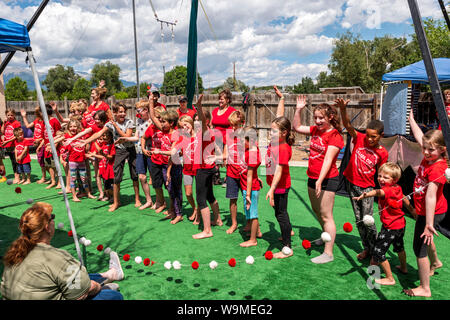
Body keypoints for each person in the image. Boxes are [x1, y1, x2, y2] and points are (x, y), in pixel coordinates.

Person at [1, 202, 124, 300]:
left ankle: (110, 275)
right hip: (64, 290)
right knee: (115, 296)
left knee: (73, 277)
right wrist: (97, 288)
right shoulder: (56, 258)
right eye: (52, 217)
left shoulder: (15, 252)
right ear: (47, 227)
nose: (54, 219)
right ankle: (108, 280)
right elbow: (80, 294)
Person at [293, 95, 344, 264]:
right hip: (313, 177)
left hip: (328, 179)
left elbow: (329, 161)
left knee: (326, 215)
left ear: (330, 117)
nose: (317, 121)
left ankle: (328, 253)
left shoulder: (335, 136)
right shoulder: (315, 130)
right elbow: (297, 127)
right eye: (315, 118)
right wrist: (299, 109)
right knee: (317, 212)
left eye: (321, 118)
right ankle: (324, 236)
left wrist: (320, 181)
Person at [403, 110, 448, 297]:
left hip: (432, 212)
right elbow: (420, 136)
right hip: (427, 211)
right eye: (425, 148)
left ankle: (424, 288)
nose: (426, 152)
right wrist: (412, 120)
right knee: (426, 240)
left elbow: (431, 196)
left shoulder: (437, 167)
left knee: (418, 247)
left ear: (442, 150)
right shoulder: (429, 156)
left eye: (431, 150)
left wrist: (428, 223)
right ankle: (436, 262)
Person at [337, 98, 389, 261]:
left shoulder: (383, 153)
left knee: (368, 221)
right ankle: (367, 248)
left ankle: (376, 251)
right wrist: (343, 110)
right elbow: (348, 126)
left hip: (367, 188)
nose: (369, 139)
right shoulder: (360, 139)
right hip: (352, 184)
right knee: (359, 220)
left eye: (373, 137)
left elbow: (382, 173)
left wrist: (382, 192)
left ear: (381, 136)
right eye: (368, 135)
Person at [353, 162, 415, 285]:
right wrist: (412, 211)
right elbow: (403, 198)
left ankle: (389, 278)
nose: (381, 179)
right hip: (400, 225)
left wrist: (366, 195)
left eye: (385, 177)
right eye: (380, 175)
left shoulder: (386, 190)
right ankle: (404, 267)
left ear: (395, 179)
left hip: (390, 227)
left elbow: (377, 192)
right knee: (399, 247)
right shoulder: (397, 187)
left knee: (378, 251)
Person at [265, 86, 295, 259]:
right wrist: (281, 99)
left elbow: (279, 170)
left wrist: (272, 189)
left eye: (274, 131)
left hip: (280, 186)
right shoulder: (277, 141)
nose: (271, 132)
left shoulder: (283, 148)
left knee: (281, 214)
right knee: (280, 213)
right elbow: (279, 118)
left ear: (284, 133)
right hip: (276, 186)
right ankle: (286, 233)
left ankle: (287, 248)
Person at [147, 93, 182, 222]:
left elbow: (173, 153)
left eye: (164, 122)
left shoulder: (176, 134)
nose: (161, 124)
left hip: (174, 166)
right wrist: (151, 101)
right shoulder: (163, 130)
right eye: (160, 121)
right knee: (170, 190)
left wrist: (159, 152)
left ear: (171, 123)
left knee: (175, 190)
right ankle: (172, 211)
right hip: (165, 166)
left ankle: (179, 214)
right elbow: (152, 116)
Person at [192, 94, 223, 239]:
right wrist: (219, 155)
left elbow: (203, 122)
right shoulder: (207, 133)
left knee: (201, 199)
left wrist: (199, 106)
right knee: (210, 195)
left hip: (203, 169)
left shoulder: (205, 131)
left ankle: (207, 230)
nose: (196, 122)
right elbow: (216, 145)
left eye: (199, 120)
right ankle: (217, 219)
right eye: (195, 120)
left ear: (206, 121)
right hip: (208, 168)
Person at [115, 100, 154, 210]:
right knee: (141, 177)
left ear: (146, 110)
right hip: (140, 152)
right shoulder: (139, 121)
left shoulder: (152, 121)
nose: (138, 113)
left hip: (150, 152)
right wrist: (124, 139)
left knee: (154, 178)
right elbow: (136, 137)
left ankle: (160, 202)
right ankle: (149, 200)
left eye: (139, 110)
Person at [223, 110, 246, 234]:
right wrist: (225, 156)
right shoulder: (229, 134)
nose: (233, 128)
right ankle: (234, 223)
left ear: (242, 123)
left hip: (244, 173)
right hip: (231, 172)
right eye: (231, 125)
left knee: (246, 198)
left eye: (235, 125)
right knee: (232, 198)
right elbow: (226, 146)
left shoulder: (247, 136)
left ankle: (249, 223)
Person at [239, 125, 263, 247]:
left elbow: (249, 175)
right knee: (249, 211)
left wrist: (248, 194)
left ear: (251, 141)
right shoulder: (251, 150)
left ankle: (253, 240)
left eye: (243, 140)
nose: (241, 142)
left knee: (253, 214)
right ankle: (257, 232)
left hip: (251, 189)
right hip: (247, 186)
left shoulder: (252, 153)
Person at [63, 119, 96, 202]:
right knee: (73, 178)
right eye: (70, 126)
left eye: (74, 126)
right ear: (68, 128)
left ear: (78, 127)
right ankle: (74, 196)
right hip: (72, 161)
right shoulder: (67, 136)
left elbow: (90, 129)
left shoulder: (81, 136)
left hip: (82, 160)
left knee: (84, 178)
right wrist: (50, 144)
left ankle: (88, 193)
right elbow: (60, 140)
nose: (72, 128)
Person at [211, 89, 237, 185]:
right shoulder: (215, 111)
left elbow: (237, 124)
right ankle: (216, 178)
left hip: (228, 137)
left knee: (226, 160)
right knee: (217, 159)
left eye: (222, 99)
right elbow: (212, 124)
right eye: (219, 99)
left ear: (228, 100)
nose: (220, 101)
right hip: (216, 138)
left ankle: (229, 178)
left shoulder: (232, 111)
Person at [20, 106, 47, 184]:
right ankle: (45, 177)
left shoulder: (44, 122)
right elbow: (28, 126)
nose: (36, 114)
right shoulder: (37, 121)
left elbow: (45, 135)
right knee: (41, 162)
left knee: (44, 162)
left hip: (42, 143)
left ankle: (44, 177)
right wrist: (24, 117)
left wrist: (39, 141)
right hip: (38, 144)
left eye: (37, 113)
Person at [89, 130, 116, 202]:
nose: (103, 138)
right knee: (106, 184)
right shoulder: (104, 145)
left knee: (112, 184)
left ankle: (114, 197)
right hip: (105, 168)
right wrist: (94, 141)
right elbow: (100, 150)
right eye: (103, 137)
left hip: (110, 168)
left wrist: (104, 154)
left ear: (110, 137)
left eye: (105, 137)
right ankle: (108, 196)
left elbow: (111, 157)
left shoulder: (112, 145)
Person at [1, 108, 21, 184]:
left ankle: (17, 177)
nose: (10, 116)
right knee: (13, 161)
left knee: (16, 161)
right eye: (8, 115)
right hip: (8, 146)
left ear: (14, 115)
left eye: (11, 115)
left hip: (15, 145)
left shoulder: (16, 123)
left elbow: (17, 135)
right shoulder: (6, 123)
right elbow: (2, 132)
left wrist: (7, 141)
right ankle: (17, 176)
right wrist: (3, 123)